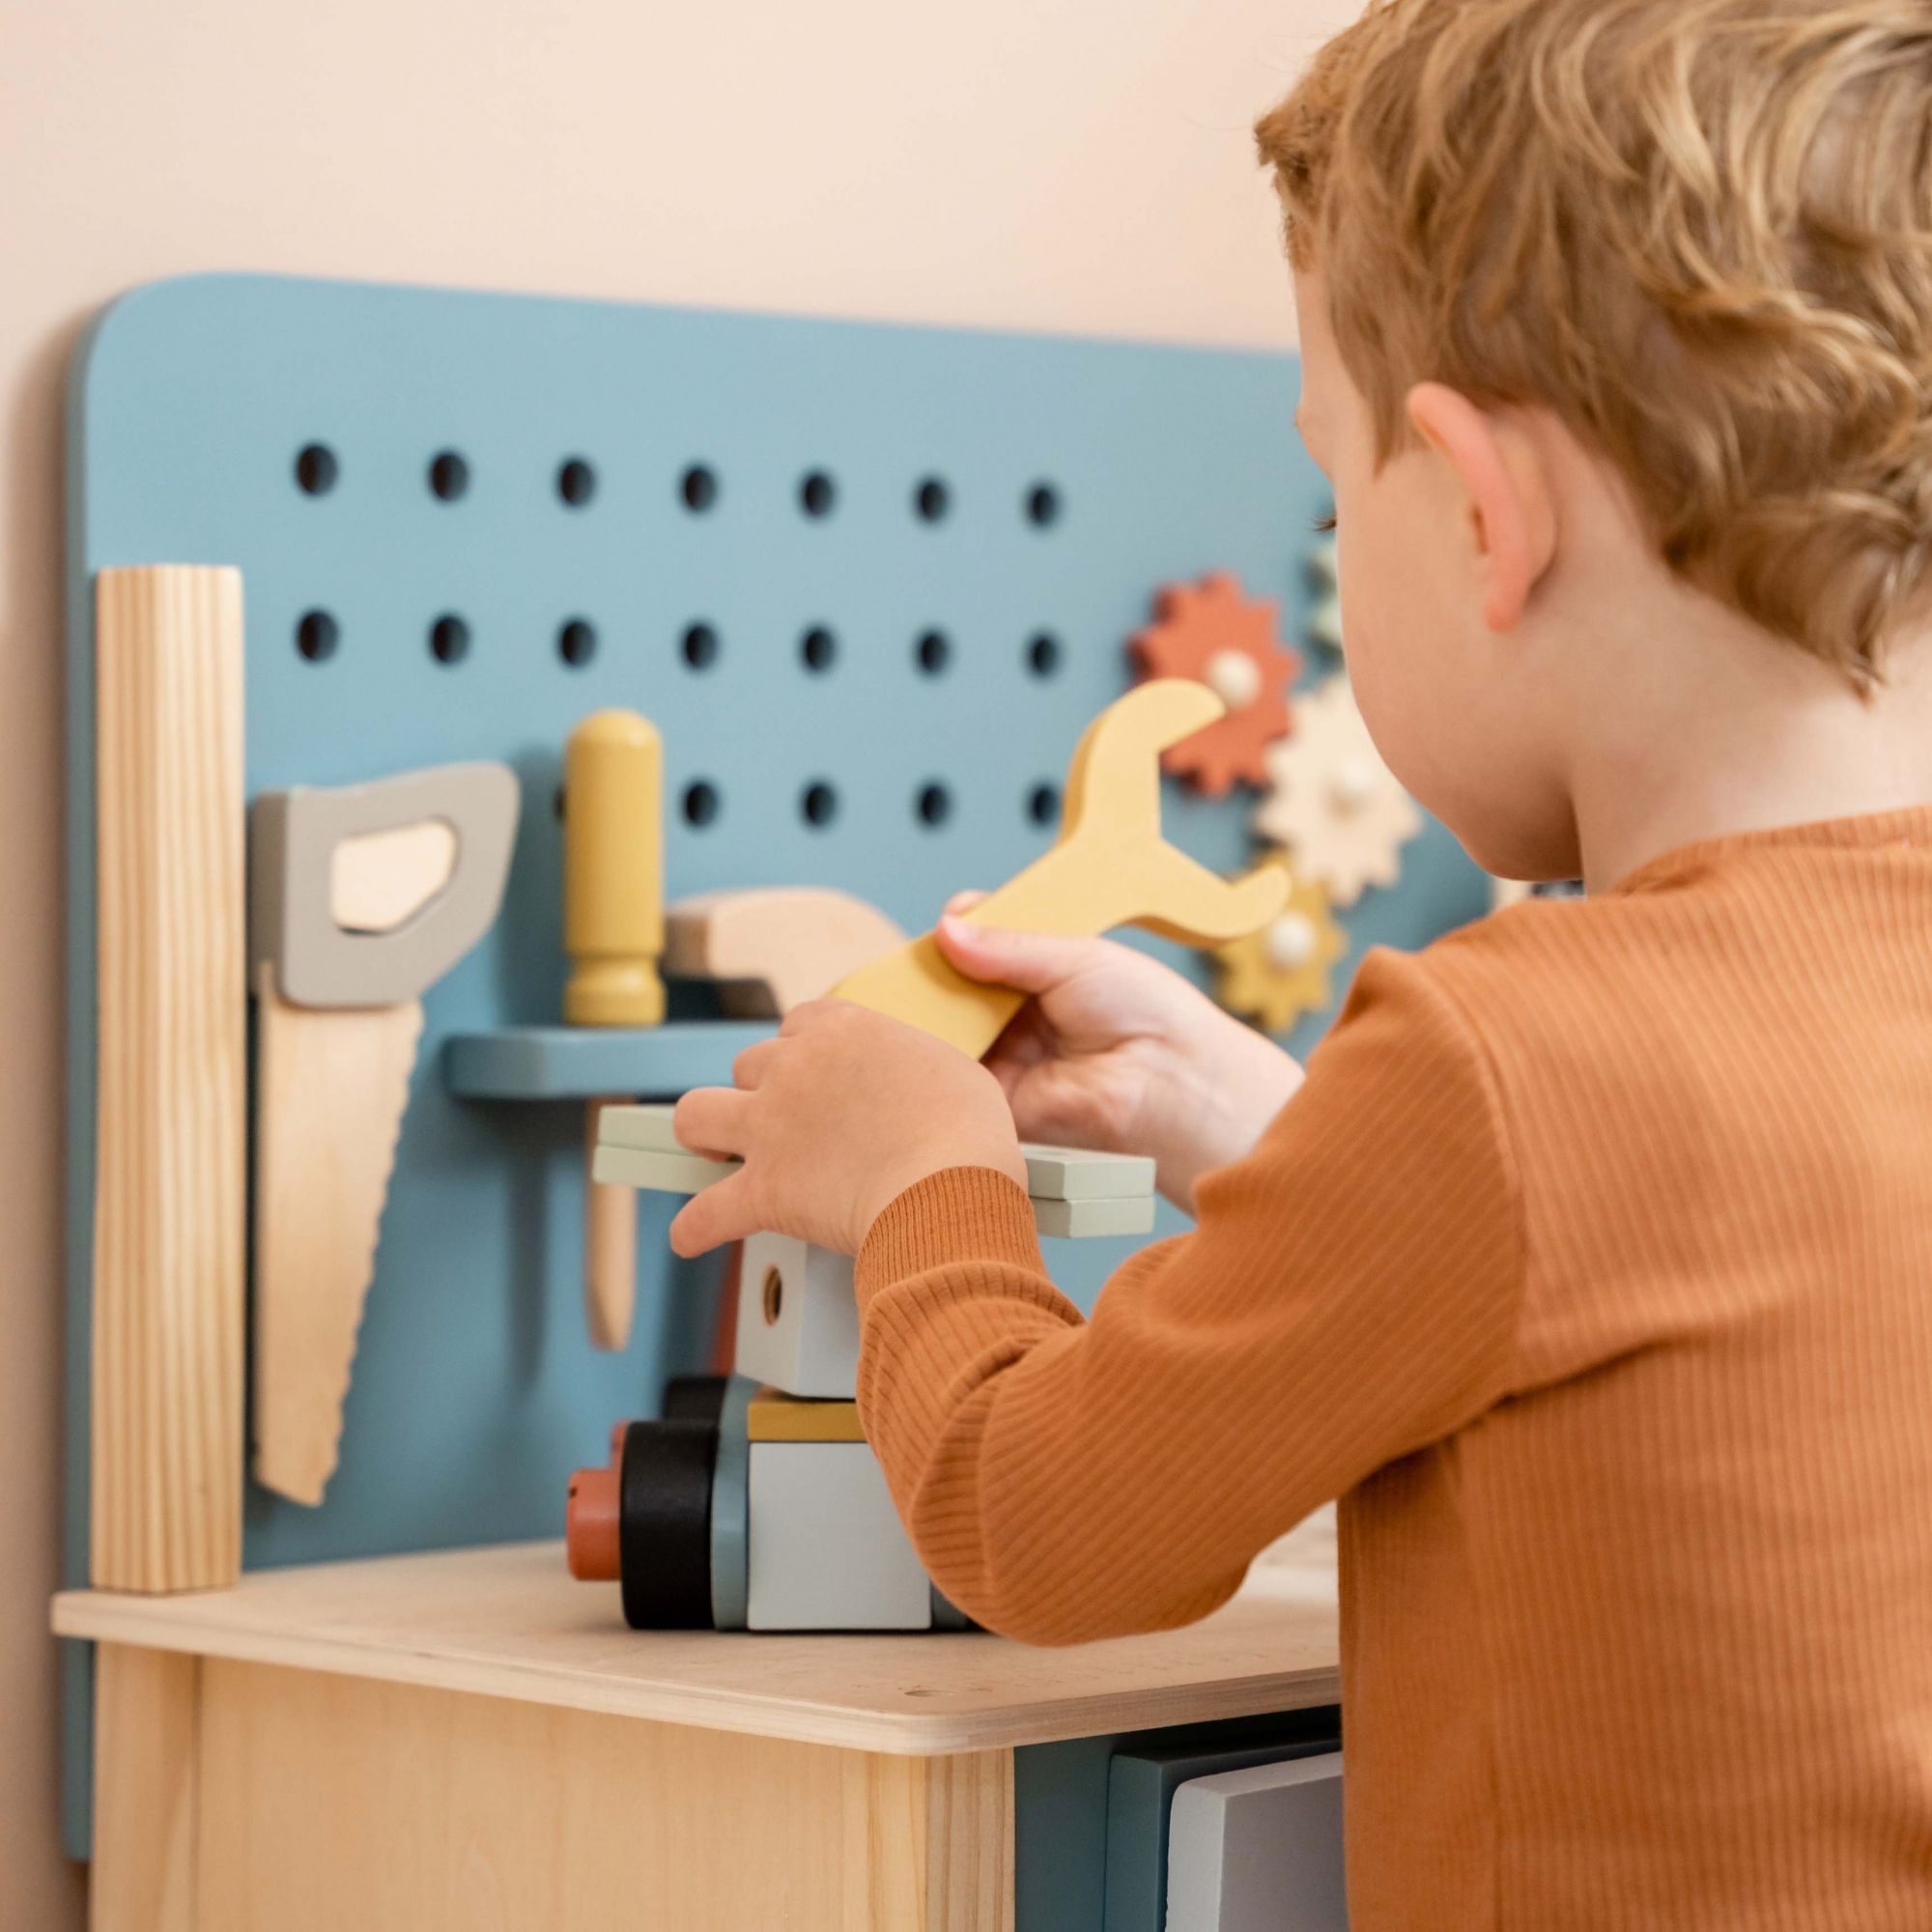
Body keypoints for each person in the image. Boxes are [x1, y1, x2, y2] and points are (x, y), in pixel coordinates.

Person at [670, 3, 1932, 1922]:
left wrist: (925, 1176)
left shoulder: (1514, 1054)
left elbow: (1047, 1526)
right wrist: (1263, 1126)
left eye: (1333, 484)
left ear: (1484, 516)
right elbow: (1648, 1263)